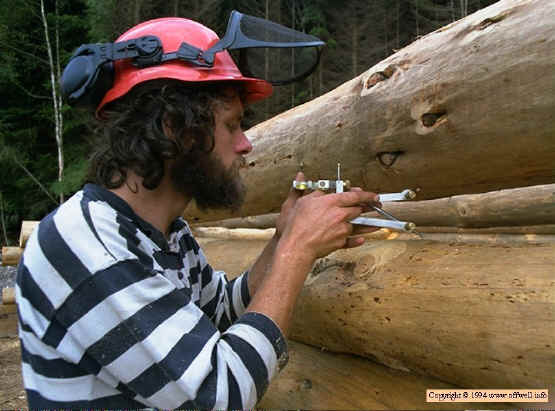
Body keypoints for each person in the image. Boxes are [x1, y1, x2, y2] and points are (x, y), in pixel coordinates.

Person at [16, 16, 380, 409]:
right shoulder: (87, 244)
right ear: (174, 127)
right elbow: (219, 395)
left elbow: (219, 312)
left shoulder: (166, 234)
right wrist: (296, 251)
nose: (246, 145)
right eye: (232, 125)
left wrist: (281, 238)